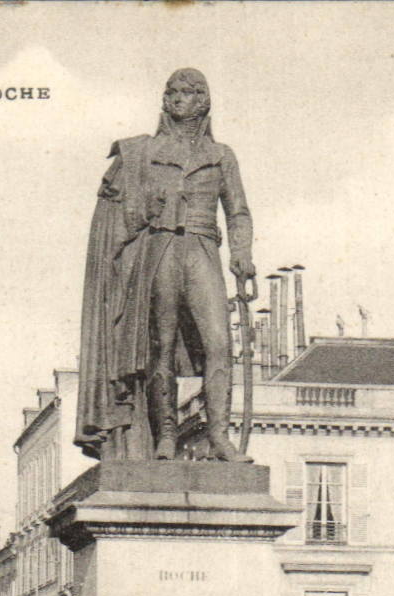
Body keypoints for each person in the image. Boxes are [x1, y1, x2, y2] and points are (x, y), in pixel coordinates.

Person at [75, 68, 255, 462]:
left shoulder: (221, 155)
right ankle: (166, 435)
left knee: (220, 345)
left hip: (203, 248)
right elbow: (121, 209)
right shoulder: (145, 153)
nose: (177, 98)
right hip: (159, 253)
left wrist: (242, 253)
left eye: (188, 92)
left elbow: (238, 211)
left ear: (203, 100)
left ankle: (220, 437)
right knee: (162, 347)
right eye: (171, 91)